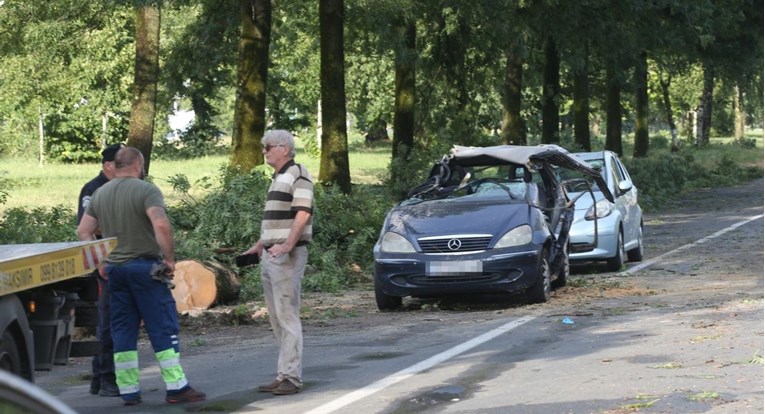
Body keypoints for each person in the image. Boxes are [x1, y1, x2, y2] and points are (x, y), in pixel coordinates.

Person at [76, 146, 206, 406]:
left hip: (116, 272)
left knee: (123, 330)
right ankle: (176, 386)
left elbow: (83, 231)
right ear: (137, 165)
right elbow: (160, 223)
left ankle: (128, 390)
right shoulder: (146, 190)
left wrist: (101, 261)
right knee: (162, 326)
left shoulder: (101, 193)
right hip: (145, 269)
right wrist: (169, 258)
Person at [242, 130, 314, 396]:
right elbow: (276, 219)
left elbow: (303, 213)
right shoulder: (279, 177)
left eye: (268, 147)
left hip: (286, 256)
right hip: (271, 254)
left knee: (287, 315)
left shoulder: (298, 173)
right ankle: (284, 373)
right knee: (276, 317)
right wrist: (260, 244)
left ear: (284, 148)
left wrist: (288, 244)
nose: (264, 151)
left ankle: (292, 378)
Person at [77, 143, 123, 398]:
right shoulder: (94, 190)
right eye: (120, 162)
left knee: (112, 322)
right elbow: (87, 230)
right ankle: (106, 378)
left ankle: (99, 378)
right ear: (108, 166)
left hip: (118, 262)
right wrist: (100, 263)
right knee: (108, 324)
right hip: (103, 265)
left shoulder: (118, 187)